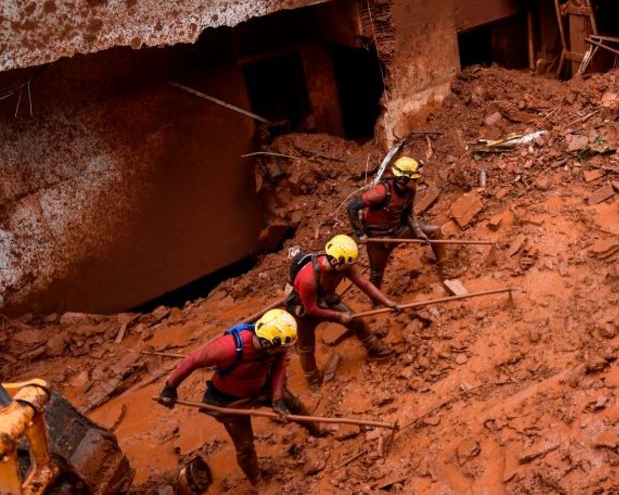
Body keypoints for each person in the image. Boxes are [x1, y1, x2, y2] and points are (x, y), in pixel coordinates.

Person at [157, 309, 323, 484]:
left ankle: (317, 431)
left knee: (294, 405)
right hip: (230, 400)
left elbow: (279, 368)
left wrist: (277, 399)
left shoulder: (276, 348)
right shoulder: (229, 348)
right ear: (268, 343)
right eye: (283, 347)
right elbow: (193, 360)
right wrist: (170, 388)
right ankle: (257, 481)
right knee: (245, 447)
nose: (286, 351)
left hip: (261, 387)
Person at [288, 234, 400, 386]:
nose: (351, 267)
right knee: (306, 348)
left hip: (326, 299)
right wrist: (339, 316)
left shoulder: (342, 265)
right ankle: (313, 379)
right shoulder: (308, 279)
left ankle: (375, 349)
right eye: (349, 264)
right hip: (306, 311)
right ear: (335, 260)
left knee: (356, 321)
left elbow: (365, 284)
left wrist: (386, 302)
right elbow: (312, 309)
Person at [348, 156, 443, 289]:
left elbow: (408, 212)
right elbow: (352, 207)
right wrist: (360, 233)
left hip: (398, 229)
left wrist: (418, 232)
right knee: (376, 273)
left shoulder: (410, 190)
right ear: (403, 179)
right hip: (378, 237)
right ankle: (377, 303)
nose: (417, 181)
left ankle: (445, 271)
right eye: (414, 179)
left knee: (434, 231)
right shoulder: (379, 193)